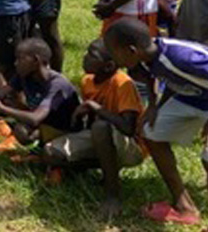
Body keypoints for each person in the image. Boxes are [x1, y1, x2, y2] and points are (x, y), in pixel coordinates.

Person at [106, 18, 208, 228]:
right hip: (191, 98)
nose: (111, 57)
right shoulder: (143, 56)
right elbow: (154, 75)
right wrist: (153, 105)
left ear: (131, 51)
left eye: (113, 51)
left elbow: (177, 70)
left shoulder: (184, 58)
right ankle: (184, 205)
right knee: (151, 131)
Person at [44, 38, 146, 222]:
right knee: (52, 152)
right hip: (101, 137)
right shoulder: (87, 81)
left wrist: (95, 108)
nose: (85, 58)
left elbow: (128, 128)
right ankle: (104, 167)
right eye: (87, 52)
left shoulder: (123, 84)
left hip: (132, 146)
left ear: (108, 67)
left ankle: (112, 195)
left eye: (92, 55)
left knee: (100, 127)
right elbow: (89, 125)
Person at [0, 36, 78, 152]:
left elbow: (35, 118)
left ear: (35, 60)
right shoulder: (25, 76)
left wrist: (1, 108)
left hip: (67, 132)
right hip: (46, 126)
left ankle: (52, 158)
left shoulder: (57, 84)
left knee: (48, 150)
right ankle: (40, 149)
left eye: (20, 59)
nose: (16, 63)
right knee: (21, 129)